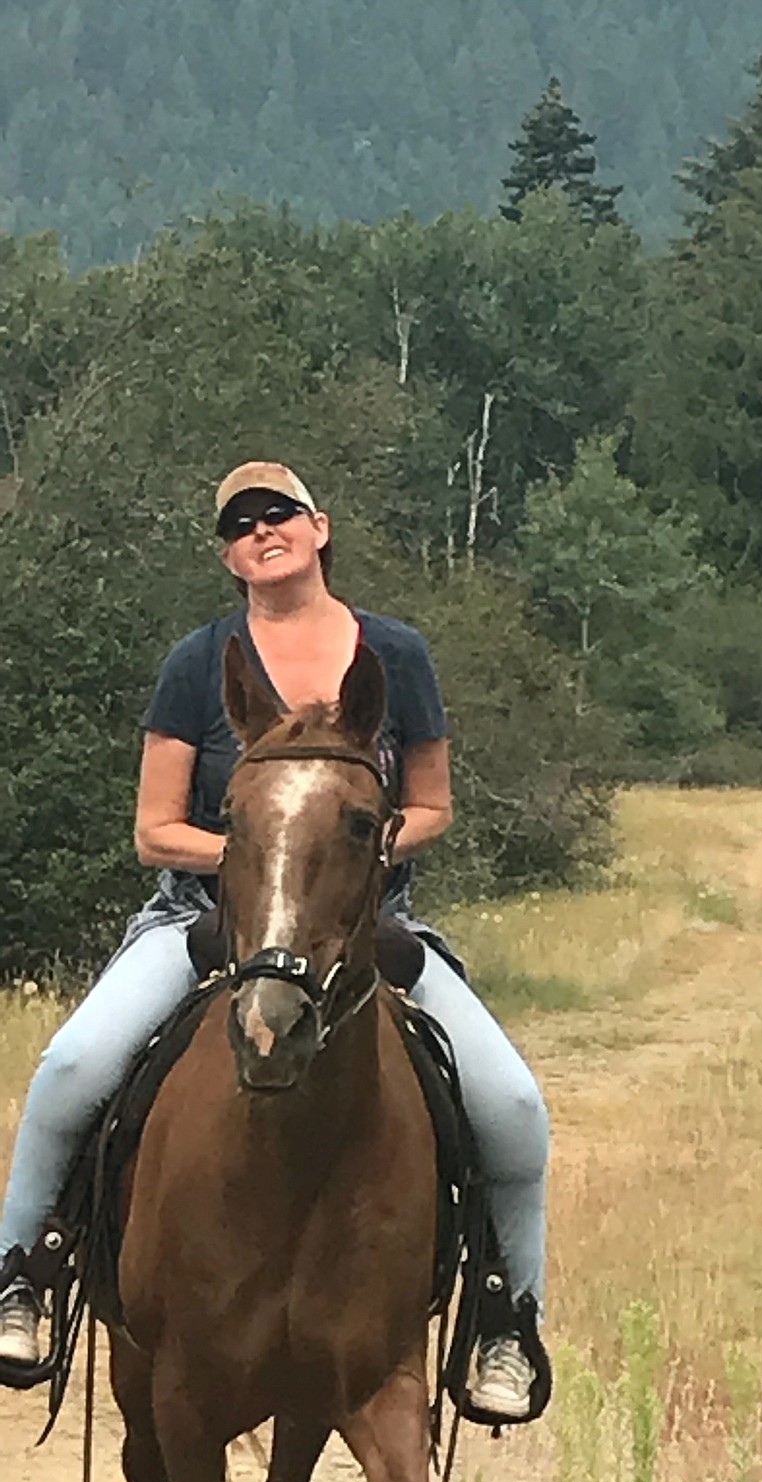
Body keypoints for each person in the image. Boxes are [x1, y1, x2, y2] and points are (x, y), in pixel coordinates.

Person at [0, 461, 548, 1420]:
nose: (262, 530)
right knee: (71, 1066)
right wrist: (266, 855)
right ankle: (26, 1275)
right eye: (240, 523)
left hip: (368, 924)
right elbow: (154, 828)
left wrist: (348, 856)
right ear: (228, 553)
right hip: (204, 918)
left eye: (279, 513)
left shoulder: (397, 657)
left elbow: (431, 806)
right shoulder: (197, 661)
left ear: (320, 527)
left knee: (510, 1105)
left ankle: (504, 1321)